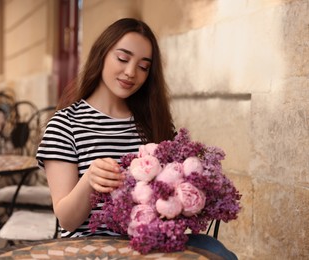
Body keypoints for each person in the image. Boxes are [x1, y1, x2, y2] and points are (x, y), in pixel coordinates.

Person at [36, 17, 237, 259]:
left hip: (152, 245)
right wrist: (90, 179)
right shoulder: (65, 124)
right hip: (91, 249)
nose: (131, 72)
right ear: (101, 54)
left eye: (143, 67)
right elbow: (67, 220)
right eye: (122, 58)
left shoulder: (153, 123)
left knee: (217, 252)